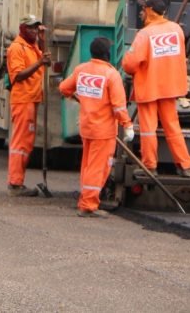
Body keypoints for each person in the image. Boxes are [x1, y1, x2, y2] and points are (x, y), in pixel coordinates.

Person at [120, 0, 190, 177]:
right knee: (172, 126)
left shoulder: (145, 34)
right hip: (170, 87)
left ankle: (150, 166)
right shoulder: (176, 30)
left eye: (143, 9)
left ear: (149, 10)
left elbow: (130, 63)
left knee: (148, 129)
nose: (141, 12)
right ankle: (185, 166)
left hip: (150, 88)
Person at [58, 37, 135, 218]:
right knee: (98, 167)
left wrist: (80, 99)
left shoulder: (81, 70)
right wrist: (128, 125)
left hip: (86, 127)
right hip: (103, 131)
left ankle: (85, 200)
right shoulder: (111, 75)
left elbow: (63, 88)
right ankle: (89, 205)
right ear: (107, 54)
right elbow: (118, 106)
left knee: (87, 165)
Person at [5, 14, 51, 197]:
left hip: (32, 99)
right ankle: (15, 184)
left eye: (36, 28)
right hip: (23, 100)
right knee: (20, 144)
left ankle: (18, 182)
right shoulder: (17, 48)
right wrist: (39, 62)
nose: (34, 31)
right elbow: (17, 76)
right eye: (31, 28)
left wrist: (42, 41)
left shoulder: (33, 47)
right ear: (23, 29)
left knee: (27, 143)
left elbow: (45, 60)